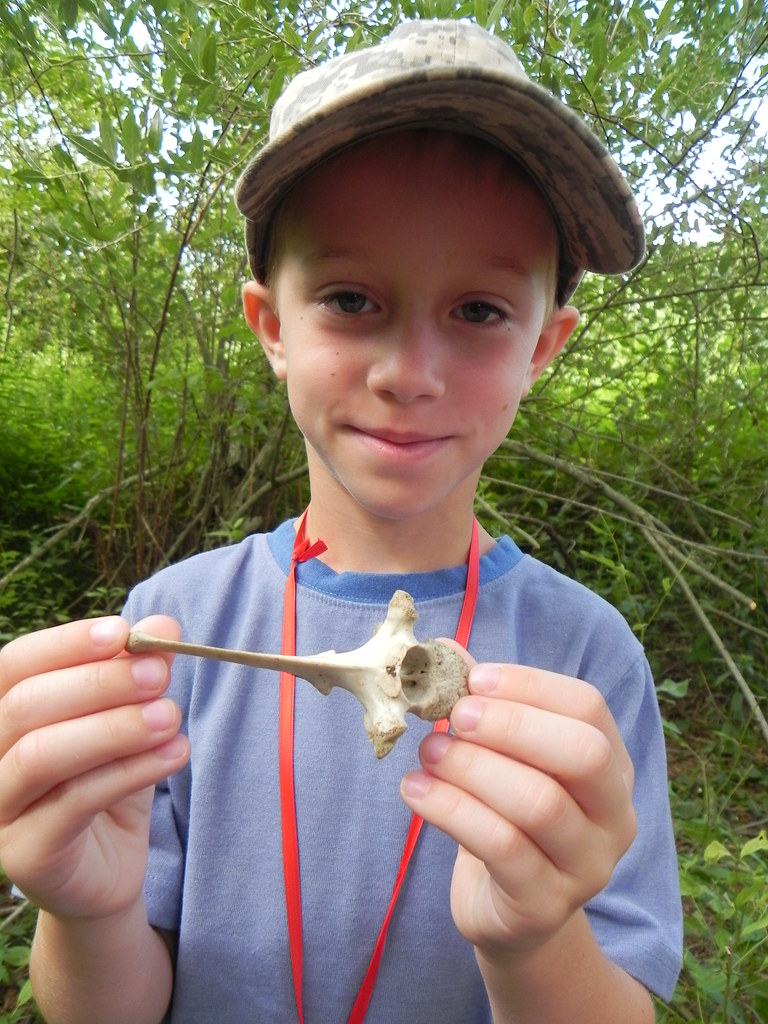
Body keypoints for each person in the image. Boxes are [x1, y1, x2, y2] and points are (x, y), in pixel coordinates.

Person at [0, 18, 682, 1024]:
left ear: (544, 345)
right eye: (352, 298)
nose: (409, 373)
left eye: (481, 311)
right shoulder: (172, 629)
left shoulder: (588, 658)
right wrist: (87, 911)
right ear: (271, 327)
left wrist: (535, 936)